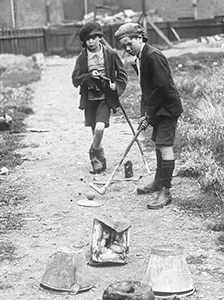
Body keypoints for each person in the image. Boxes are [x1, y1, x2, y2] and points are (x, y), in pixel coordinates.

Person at [114, 23, 183, 210]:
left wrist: (149, 115)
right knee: (158, 145)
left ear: (140, 38)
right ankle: (158, 182)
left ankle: (166, 191)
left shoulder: (153, 56)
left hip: (167, 108)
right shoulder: (140, 57)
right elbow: (148, 89)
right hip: (157, 107)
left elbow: (161, 89)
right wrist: (145, 113)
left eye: (130, 43)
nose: (127, 48)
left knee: (164, 146)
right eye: (124, 46)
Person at [72, 21, 127, 174]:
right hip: (89, 99)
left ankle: (92, 152)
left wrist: (116, 86)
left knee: (100, 128)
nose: (91, 42)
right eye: (87, 40)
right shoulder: (81, 58)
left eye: (93, 38)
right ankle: (99, 160)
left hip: (105, 97)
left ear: (99, 38)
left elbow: (122, 75)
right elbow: (75, 79)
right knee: (94, 131)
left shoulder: (110, 54)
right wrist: (89, 75)